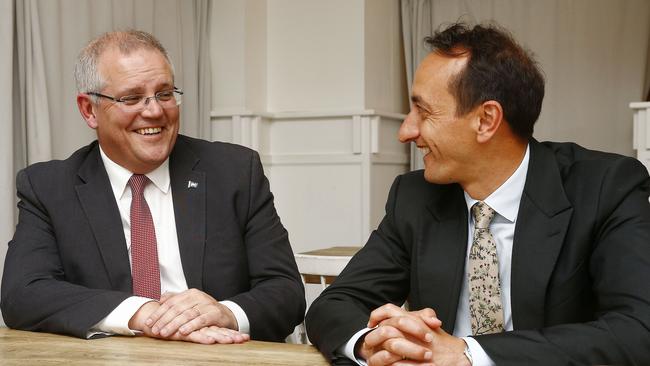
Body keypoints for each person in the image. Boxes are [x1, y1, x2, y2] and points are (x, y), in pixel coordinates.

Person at [305, 22, 650, 365]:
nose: (406, 131)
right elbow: (335, 305)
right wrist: (376, 342)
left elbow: (638, 331)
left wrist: (468, 354)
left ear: (486, 120)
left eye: (423, 111)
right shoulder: (414, 197)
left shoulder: (606, 187)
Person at [1, 30, 305, 344]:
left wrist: (225, 312)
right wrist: (142, 313)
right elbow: (22, 294)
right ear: (89, 110)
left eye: (164, 93)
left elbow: (286, 291)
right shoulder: (49, 187)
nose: (155, 111)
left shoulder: (234, 172)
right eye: (131, 98)